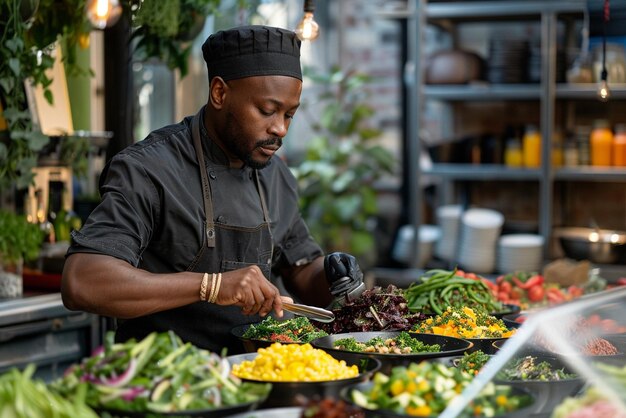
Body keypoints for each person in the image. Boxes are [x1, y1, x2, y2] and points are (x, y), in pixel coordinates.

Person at [61, 25, 364, 354]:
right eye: (267, 110)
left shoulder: (275, 175)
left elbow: (301, 270)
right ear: (219, 93)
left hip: (258, 374)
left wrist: (333, 274)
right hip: (167, 378)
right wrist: (212, 285)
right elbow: (83, 281)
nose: (280, 128)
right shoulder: (149, 169)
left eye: (289, 114)